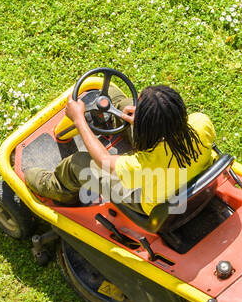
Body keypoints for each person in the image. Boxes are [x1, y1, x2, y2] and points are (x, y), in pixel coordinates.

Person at [24, 83, 216, 212]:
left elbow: (104, 161)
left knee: (80, 163)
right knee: (123, 104)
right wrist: (139, 120)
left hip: (148, 202)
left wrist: (79, 119)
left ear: (149, 127)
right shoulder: (201, 122)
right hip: (188, 182)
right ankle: (117, 115)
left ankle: (56, 188)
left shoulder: (142, 165)